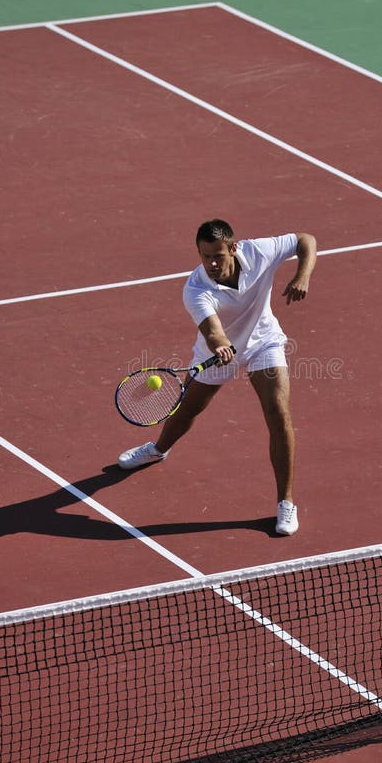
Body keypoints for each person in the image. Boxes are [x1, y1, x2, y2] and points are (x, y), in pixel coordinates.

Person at [118, 219, 317, 535]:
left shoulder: (259, 252)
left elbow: (305, 239)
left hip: (263, 341)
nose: (211, 263)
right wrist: (221, 344)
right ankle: (158, 449)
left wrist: (302, 276)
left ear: (234, 249)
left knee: (278, 414)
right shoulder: (195, 289)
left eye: (218, 256)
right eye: (204, 256)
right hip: (217, 353)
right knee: (187, 413)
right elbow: (212, 330)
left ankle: (286, 503)